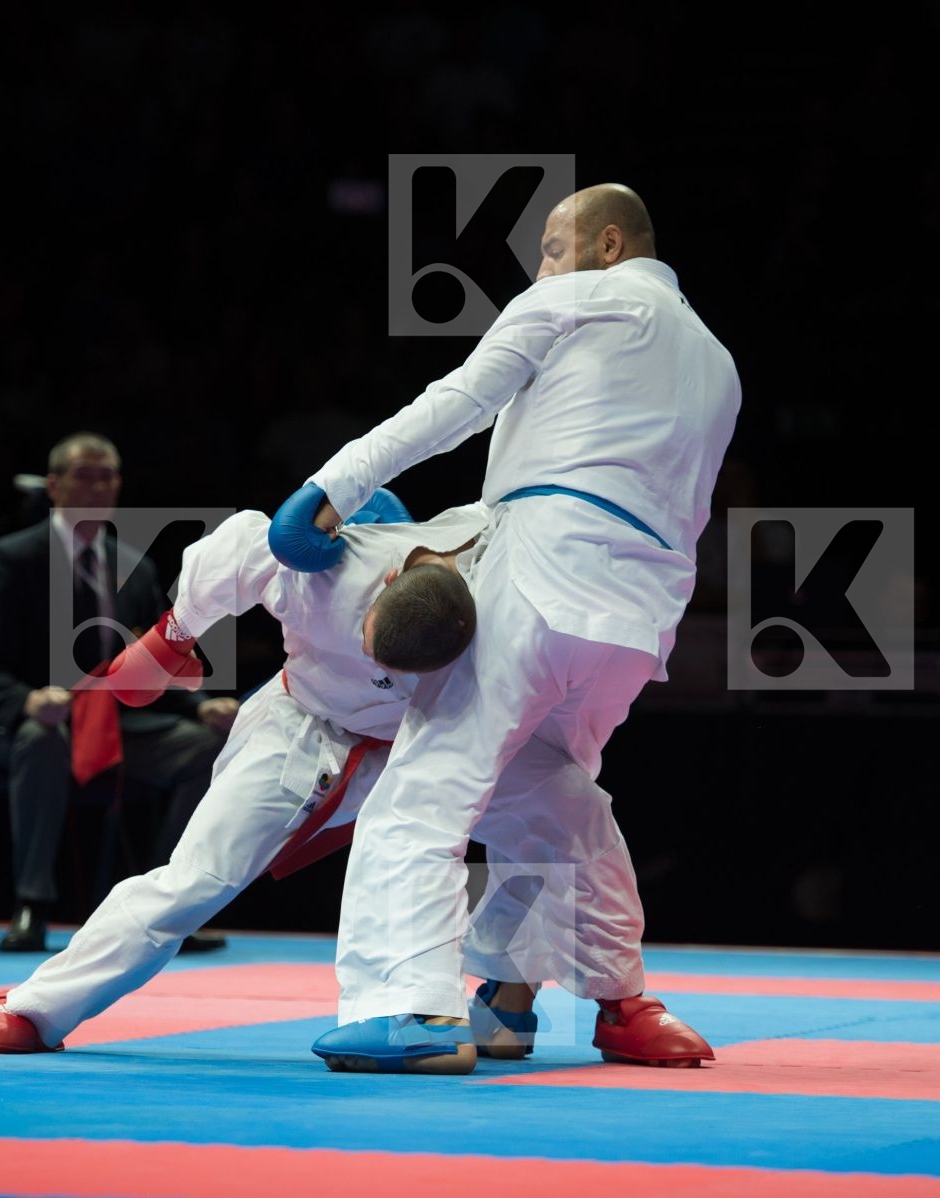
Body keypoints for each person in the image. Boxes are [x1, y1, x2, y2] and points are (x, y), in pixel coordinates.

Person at [0, 497, 711, 1073]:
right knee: (198, 877)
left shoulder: (508, 583)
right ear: (382, 581)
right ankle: (37, 1006)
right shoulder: (314, 563)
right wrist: (171, 637)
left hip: (440, 730)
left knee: (572, 812)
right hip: (304, 726)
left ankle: (619, 1003)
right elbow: (235, 548)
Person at [267, 184, 740, 1074]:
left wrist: (332, 487)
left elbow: (457, 401)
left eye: (553, 250)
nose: (542, 270)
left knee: (427, 786)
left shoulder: (576, 298)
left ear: (608, 244)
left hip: (544, 569)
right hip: (640, 618)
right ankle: (571, 1001)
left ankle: (410, 1008)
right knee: (553, 804)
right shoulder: (718, 361)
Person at [0, 431, 237, 952]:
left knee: (207, 748)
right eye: (83, 476)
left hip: (119, 724)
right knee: (41, 741)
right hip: (37, 724)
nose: (97, 487)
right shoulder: (13, 558)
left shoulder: (135, 567)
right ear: (53, 485)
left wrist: (202, 706)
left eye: (106, 477)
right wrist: (27, 701)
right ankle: (31, 905)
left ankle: (165, 906)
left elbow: (159, 658)